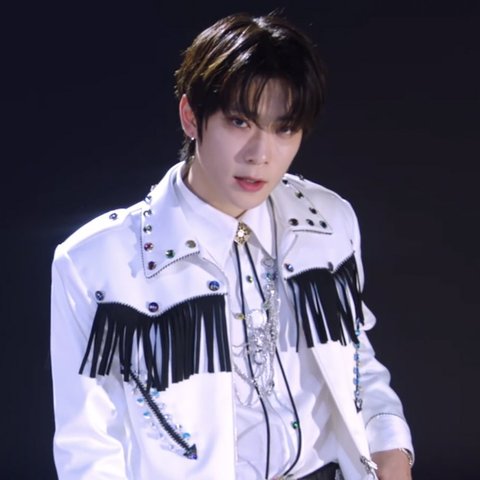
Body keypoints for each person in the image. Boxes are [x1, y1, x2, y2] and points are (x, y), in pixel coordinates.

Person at [50, 12, 414, 480]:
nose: (260, 155)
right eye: (240, 122)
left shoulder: (329, 221)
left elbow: (354, 357)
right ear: (191, 117)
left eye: (284, 129)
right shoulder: (94, 263)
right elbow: (88, 447)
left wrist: (391, 444)